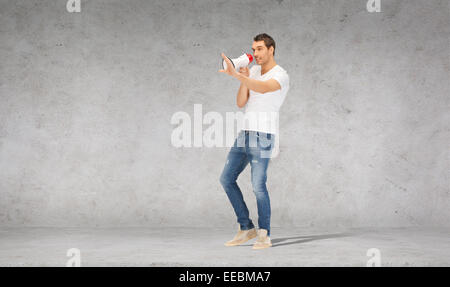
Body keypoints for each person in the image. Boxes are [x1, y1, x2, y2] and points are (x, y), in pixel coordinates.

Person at [218, 33, 290, 249]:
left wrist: (237, 76)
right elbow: (241, 102)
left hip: (263, 135)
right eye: (253, 49)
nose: (255, 53)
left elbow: (263, 88)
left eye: (259, 49)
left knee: (258, 185)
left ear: (271, 49)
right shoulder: (254, 71)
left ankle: (264, 234)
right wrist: (243, 77)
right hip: (245, 133)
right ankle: (246, 228)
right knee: (226, 179)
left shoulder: (281, 75)